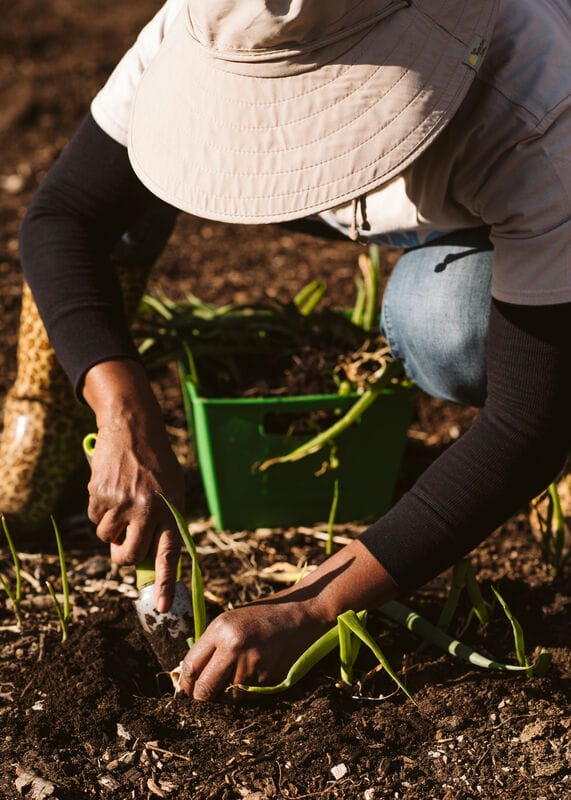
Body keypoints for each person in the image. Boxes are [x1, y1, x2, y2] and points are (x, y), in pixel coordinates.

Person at [15, 0, 570, 700]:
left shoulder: (536, 100)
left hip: (519, 187)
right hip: (424, 191)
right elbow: (65, 215)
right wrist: (118, 408)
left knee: (449, 327)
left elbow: (525, 425)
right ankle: (42, 418)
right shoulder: (229, 17)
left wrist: (313, 603)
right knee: (158, 145)